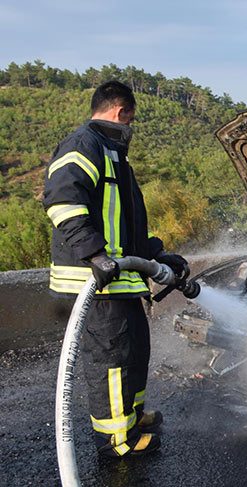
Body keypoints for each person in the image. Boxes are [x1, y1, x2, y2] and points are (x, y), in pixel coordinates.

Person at [43, 81, 188, 458]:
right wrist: (94, 255)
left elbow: (129, 223)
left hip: (122, 282)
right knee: (111, 362)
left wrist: (159, 254)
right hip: (96, 282)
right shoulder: (84, 146)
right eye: (132, 119)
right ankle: (115, 441)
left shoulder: (114, 156)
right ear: (121, 113)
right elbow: (61, 202)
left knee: (134, 351)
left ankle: (131, 415)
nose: (132, 128)